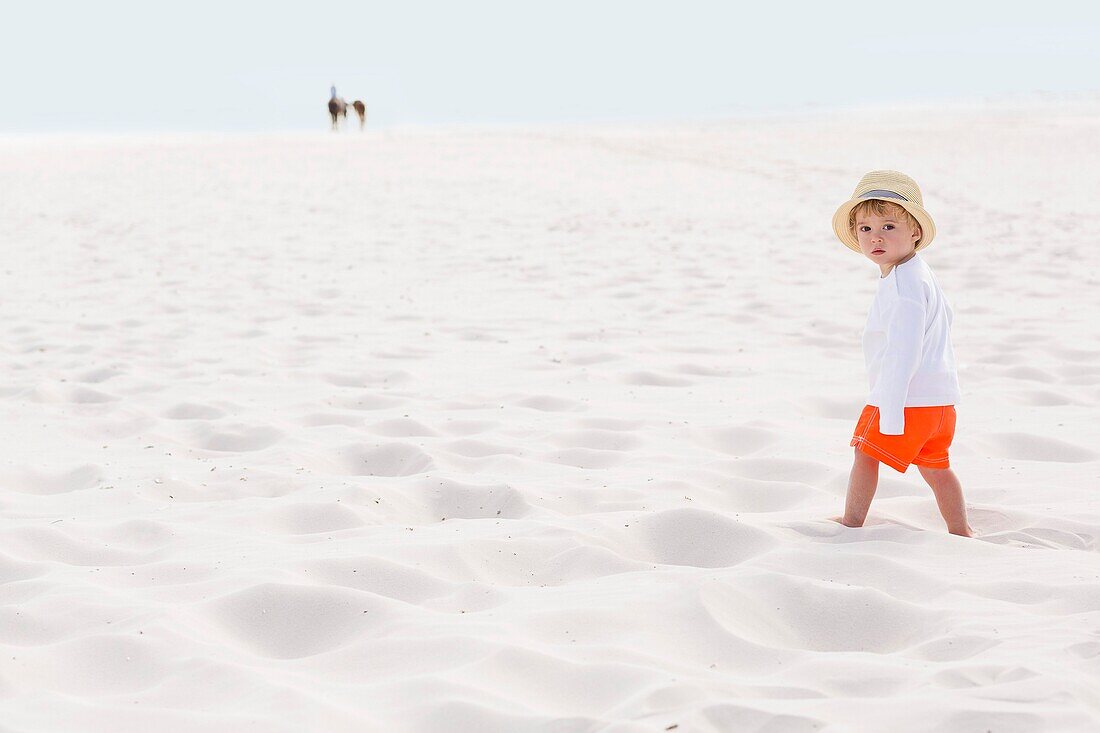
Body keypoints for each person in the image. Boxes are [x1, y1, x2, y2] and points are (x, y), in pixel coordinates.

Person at [828, 171, 974, 537]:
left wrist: (889, 410)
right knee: (937, 467)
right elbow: (946, 318)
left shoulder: (906, 286)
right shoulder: (918, 274)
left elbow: (904, 351)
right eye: (865, 229)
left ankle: (851, 523)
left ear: (916, 233)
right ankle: (960, 530)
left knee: (865, 452)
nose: (875, 236)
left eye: (889, 226)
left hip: (905, 399)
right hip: (939, 403)